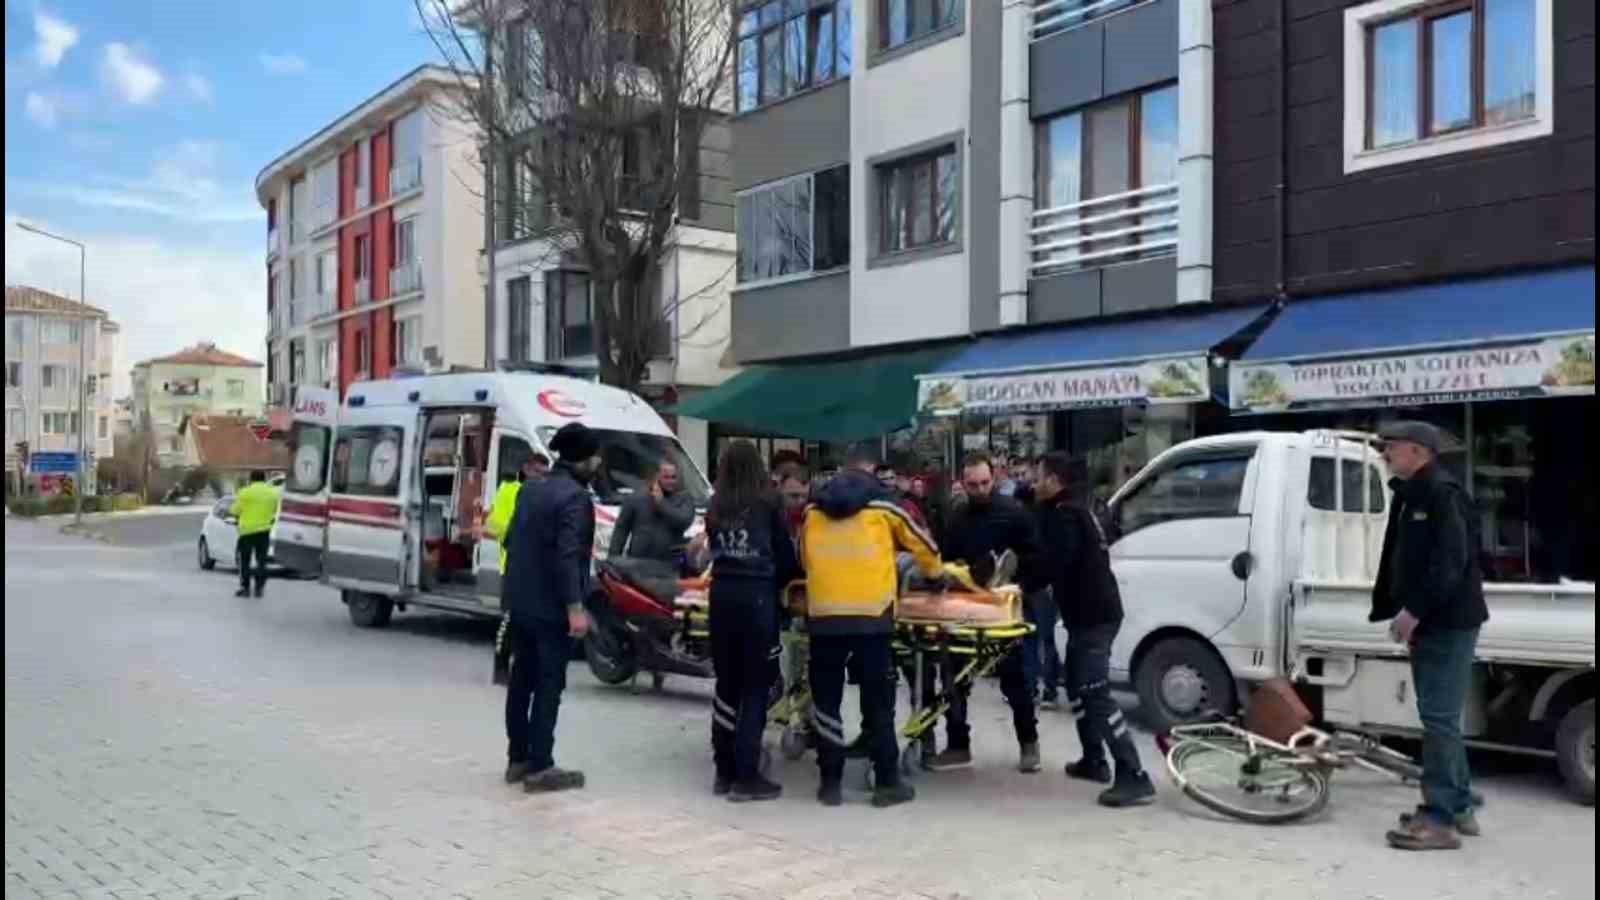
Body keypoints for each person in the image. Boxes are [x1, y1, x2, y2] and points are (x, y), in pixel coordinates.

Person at [801, 443, 943, 808]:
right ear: (871, 469)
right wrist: (935, 577)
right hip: (872, 618)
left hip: (825, 617)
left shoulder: (814, 508)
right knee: (877, 701)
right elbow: (923, 544)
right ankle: (887, 783)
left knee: (826, 700)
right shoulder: (884, 504)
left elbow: (802, 554)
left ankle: (830, 784)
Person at [1371, 421, 1488, 851]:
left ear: (1419, 452)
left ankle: (1440, 818)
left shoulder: (1442, 493)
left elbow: (1451, 562)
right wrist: (1397, 608)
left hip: (1446, 622)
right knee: (1441, 719)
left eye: (1393, 448)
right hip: (1430, 621)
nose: (1385, 454)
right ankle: (1458, 804)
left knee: (1438, 720)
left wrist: (1414, 612)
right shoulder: (1412, 492)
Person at [1033, 451, 1156, 807]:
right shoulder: (1068, 508)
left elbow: (1055, 565)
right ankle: (1094, 760)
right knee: (1076, 684)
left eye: (1038, 476)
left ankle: (1134, 775)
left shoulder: (1067, 516)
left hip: (1094, 618)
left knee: (1094, 690)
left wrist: (1020, 584)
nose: (1032, 481)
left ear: (1054, 481)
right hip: (1086, 615)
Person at [924, 452, 1045, 773]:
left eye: (984, 483)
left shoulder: (1016, 514)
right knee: (954, 680)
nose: (978, 489)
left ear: (995, 478)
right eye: (972, 484)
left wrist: (1018, 586)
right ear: (962, 483)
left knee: (1015, 681)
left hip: (1005, 610)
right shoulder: (956, 517)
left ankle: (1028, 743)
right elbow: (943, 559)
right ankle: (958, 746)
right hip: (965, 609)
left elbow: (1036, 560)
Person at [502, 422, 599, 794]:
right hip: (551, 606)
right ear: (583, 458)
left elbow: (512, 539)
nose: (599, 461)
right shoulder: (575, 498)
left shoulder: (531, 489)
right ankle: (541, 765)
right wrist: (575, 606)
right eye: (596, 455)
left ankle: (517, 758)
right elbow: (569, 554)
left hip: (521, 601)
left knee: (521, 680)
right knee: (548, 684)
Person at [705, 441, 800, 802]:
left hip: (721, 596)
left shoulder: (717, 504)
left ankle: (723, 770)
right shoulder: (767, 501)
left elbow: (713, 547)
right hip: (757, 597)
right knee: (756, 687)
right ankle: (747, 776)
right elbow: (784, 554)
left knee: (726, 685)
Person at [487, 451, 551, 686]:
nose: (541, 477)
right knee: (509, 619)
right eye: (537, 472)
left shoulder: (545, 494)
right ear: (525, 469)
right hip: (512, 565)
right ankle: (500, 666)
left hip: (538, 568)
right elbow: (496, 525)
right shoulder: (509, 489)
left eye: (545, 474)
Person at [608, 460, 695, 566]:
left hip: (669, 565)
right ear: (656, 476)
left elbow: (684, 520)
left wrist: (661, 504)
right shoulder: (636, 498)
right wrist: (613, 559)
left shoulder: (684, 499)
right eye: (666, 477)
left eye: (673, 477)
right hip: (638, 564)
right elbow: (621, 530)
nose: (670, 481)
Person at [229, 470, 280, 598]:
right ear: (264, 479)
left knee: (244, 561)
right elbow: (274, 510)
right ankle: (259, 588)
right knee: (261, 561)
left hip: (246, 532)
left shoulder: (244, 492)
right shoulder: (272, 493)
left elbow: (234, 510)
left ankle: (245, 588)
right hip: (264, 531)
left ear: (251, 479)